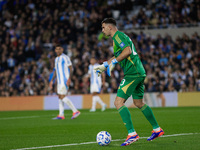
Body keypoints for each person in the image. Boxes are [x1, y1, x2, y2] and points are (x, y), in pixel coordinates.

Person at [94, 18, 164, 146]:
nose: (102, 30)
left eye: (103, 28)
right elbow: (118, 55)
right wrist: (105, 65)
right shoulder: (119, 38)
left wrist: (114, 62)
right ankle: (157, 129)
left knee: (118, 102)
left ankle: (132, 134)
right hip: (138, 72)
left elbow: (127, 51)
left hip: (133, 73)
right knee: (138, 103)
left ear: (110, 27)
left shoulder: (118, 36)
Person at [49, 44, 80, 120]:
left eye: (59, 49)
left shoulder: (65, 57)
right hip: (59, 81)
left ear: (62, 49)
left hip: (64, 80)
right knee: (60, 97)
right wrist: (52, 80)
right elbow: (55, 71)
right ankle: (61, 115)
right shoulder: (56, 59)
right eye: (56, 49)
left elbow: (71, 68)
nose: (58, 50)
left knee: (62, 96)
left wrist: (69, 79)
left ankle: (75, 111)